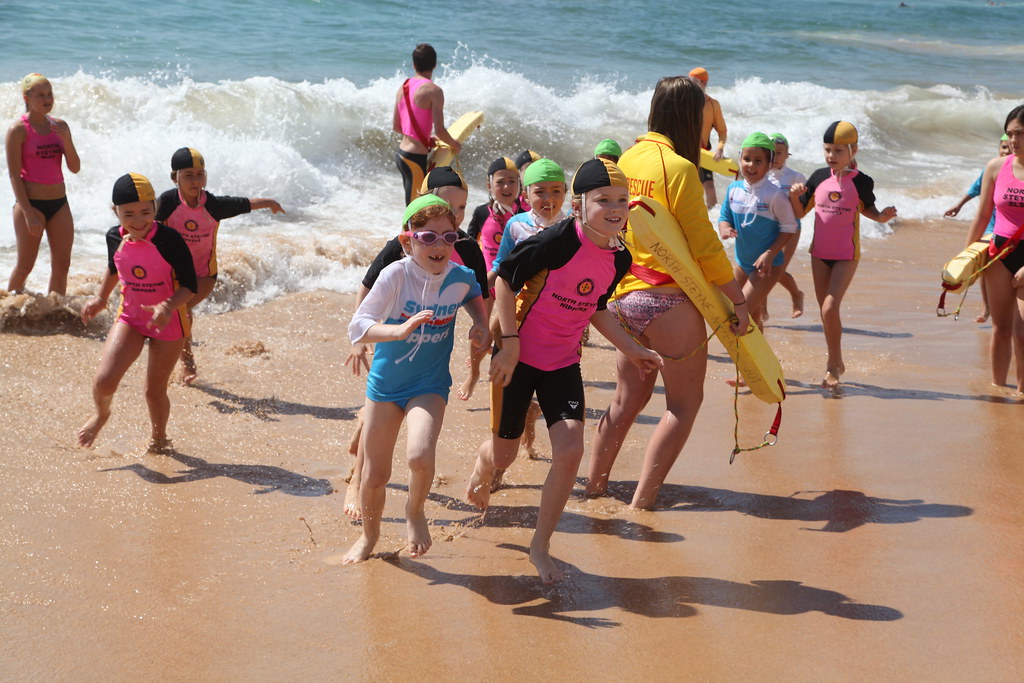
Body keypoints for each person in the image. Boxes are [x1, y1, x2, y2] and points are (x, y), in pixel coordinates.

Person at [466, 158, 662, 583]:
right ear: (578, 205)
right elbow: (504, 280)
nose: (615, 208)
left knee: (570, 450)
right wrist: (509, 344)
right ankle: (483, 467)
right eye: (603, 200)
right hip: (518, 358)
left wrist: (633, 349)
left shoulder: (620, 257)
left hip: (562, 363)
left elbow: (596, 308)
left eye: (622, 200)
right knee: (505, 454)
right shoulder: (556, 240)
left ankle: (540, 544)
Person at [585, 75, 749, 509]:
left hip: (624, 299)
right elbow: (704, 245)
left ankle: (594, 487)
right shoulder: (678, 168)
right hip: (671, 302)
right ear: (689, 117)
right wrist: (738, 298)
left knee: (626, 400)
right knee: (682, 404)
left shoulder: (625, 161)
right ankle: (643, 501)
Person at [343, 194, 489, 564]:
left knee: (420, 455)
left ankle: (415, 511)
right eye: (428, 237)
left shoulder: (460, 276)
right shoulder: (395, 275)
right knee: (375, 476)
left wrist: (481, 324)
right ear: (408, 241)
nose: (439, 245)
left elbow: (473, 294)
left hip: (429, 384)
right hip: (386, 387)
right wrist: (398, 330)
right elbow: (358, 326)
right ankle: (369, 537)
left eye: (448, 237)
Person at [77, 174, 198, 450]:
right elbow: (113, 267)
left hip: (169, 323)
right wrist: (100, 298)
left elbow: (190, 285)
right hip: (131, 317)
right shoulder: (113, 236)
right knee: (104, 381)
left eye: (145, 211)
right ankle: (101, 414)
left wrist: (167, 306)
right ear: (115, 211)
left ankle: (159, 439)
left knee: (153, 393)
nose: (138, 220)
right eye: (128, 213)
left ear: (155, 208)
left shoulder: (169, 239)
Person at [155, 147, 285, 384]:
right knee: (179, 312)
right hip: (172, 273)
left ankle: (186, 361)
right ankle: (178, 356)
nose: (196, 180)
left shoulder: (213, 205)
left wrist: (269, 202)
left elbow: (243, 203)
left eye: (200, 174)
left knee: (181, 310)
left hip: (204, 275)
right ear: (174, 178)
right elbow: (146, 225)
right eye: (188, 175)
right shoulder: (166, 203)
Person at [790, 121, 897, 388]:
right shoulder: (816, 178)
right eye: (827, 150)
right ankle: (836, 361)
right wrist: (794, 196)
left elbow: (870, 212)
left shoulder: (861, 182)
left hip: (846, 255)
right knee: (826, 313)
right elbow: (800, 213)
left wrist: (883, 217)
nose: (831, 156)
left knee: (830, 307)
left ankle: (832, 366)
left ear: (853, 150)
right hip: (819, 254)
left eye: (838, 150)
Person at [964, 105, 1024, 395]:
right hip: (998, 253)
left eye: (1020, 134)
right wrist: (965, 259)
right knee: (1000, 329)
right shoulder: (995, 167)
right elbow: (981, 214)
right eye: (1011, 134)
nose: (1013, 141)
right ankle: (997, 390)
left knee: (1022, 333)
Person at [6, 73, 81, 295]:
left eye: (49, 94)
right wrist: (28, 213)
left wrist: (66, 138)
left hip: (59, 204)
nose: (47, 99)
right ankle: (8, 316)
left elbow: (75, 167)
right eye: (40, 95)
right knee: (25, 266)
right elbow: (13, 176)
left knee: (62, 265)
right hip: (31, 205)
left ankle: (55, 313)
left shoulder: (60, 126)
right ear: (26, 97)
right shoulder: (18, 130)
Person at [718, 132, 797, 329]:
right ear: (740, 159)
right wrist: (725, 229)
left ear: (769, 164)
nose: (751, 165)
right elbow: (723, 217)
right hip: (742, 264)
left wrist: (770, 253)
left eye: (758, 160)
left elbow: (790, 227)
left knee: (738, 315)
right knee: (750, 316)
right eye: (746, 159)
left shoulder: (775, 195)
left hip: (767, 268)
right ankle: (756, 359)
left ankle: (747, 358)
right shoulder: (734, 189)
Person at [944, 134, 1012, 322]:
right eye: (1003, 147)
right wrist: (958, 205)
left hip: (1011, 230)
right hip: (992, 227)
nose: (1007, 151)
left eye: (1010, 147)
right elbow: (974, 190)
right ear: (998, 148)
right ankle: (987, 306)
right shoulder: (993, 169)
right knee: (985, 267)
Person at [392, 43, 462, 205]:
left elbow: (397, 126)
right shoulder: (434, 91)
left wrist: (423, 137)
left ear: (414, 64)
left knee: (414, 206)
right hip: (415, 159)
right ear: (435, 65)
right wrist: (455, 145)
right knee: (416, 210)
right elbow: (440, 131)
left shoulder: (403, 87)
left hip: (402, 155)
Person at [767, 132, 807, 319]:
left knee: (778, 270)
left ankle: (796, 294)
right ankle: (761, 310)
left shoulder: (795, 177)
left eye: (780, 152)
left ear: (787, 155)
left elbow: (806, 206)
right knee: (760, 269)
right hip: (764, 227)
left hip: (790, 229)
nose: (775, 157)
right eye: (772, 152)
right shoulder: (759, 175)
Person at [466, 157, 528, 274]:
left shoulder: (524, 216)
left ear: (519, 184)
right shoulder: (482, 213)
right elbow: (469, 247)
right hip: (486, 284)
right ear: (489, 185)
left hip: (514, 287)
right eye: (500, 182)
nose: (507, 187)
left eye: (512, 181)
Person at [689, 67, 728, 208]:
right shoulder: (684, 102)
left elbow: (722, 131)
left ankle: (712, 220)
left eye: (693, 82)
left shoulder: (713, 105)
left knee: (709, 188)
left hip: (703, 154)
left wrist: (720, 148)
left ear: (703, 83)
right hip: (684, 151)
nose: (689, 85)